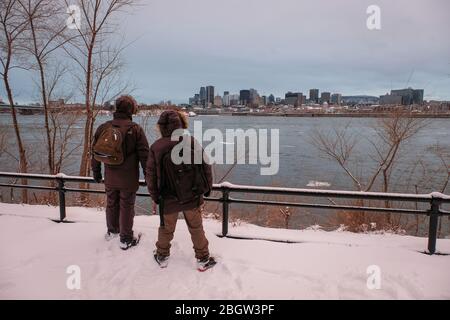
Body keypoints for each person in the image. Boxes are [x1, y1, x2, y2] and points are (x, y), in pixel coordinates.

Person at [146, 110, 216, 271]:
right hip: (192, 195)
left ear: (161, 127)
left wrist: (155, 196)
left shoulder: (157, 147)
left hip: (167, 198)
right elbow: (206, 167)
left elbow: (151, 175)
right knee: (196, 228)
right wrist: (206, 189)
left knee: (166, 228)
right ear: (182, 124)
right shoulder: (191, 141)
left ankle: (162, 256)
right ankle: (203, 258)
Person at [91, 95, 149, 250]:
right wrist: (149, 178)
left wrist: (96, 173)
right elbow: (145, 157)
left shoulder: (104, 127)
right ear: (131, 110)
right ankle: (126, 238)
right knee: (127, 206)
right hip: (128, 178)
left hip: (110, 177)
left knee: (111, 203)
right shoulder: (135, 129)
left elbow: (95, 152)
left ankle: (112, 231)